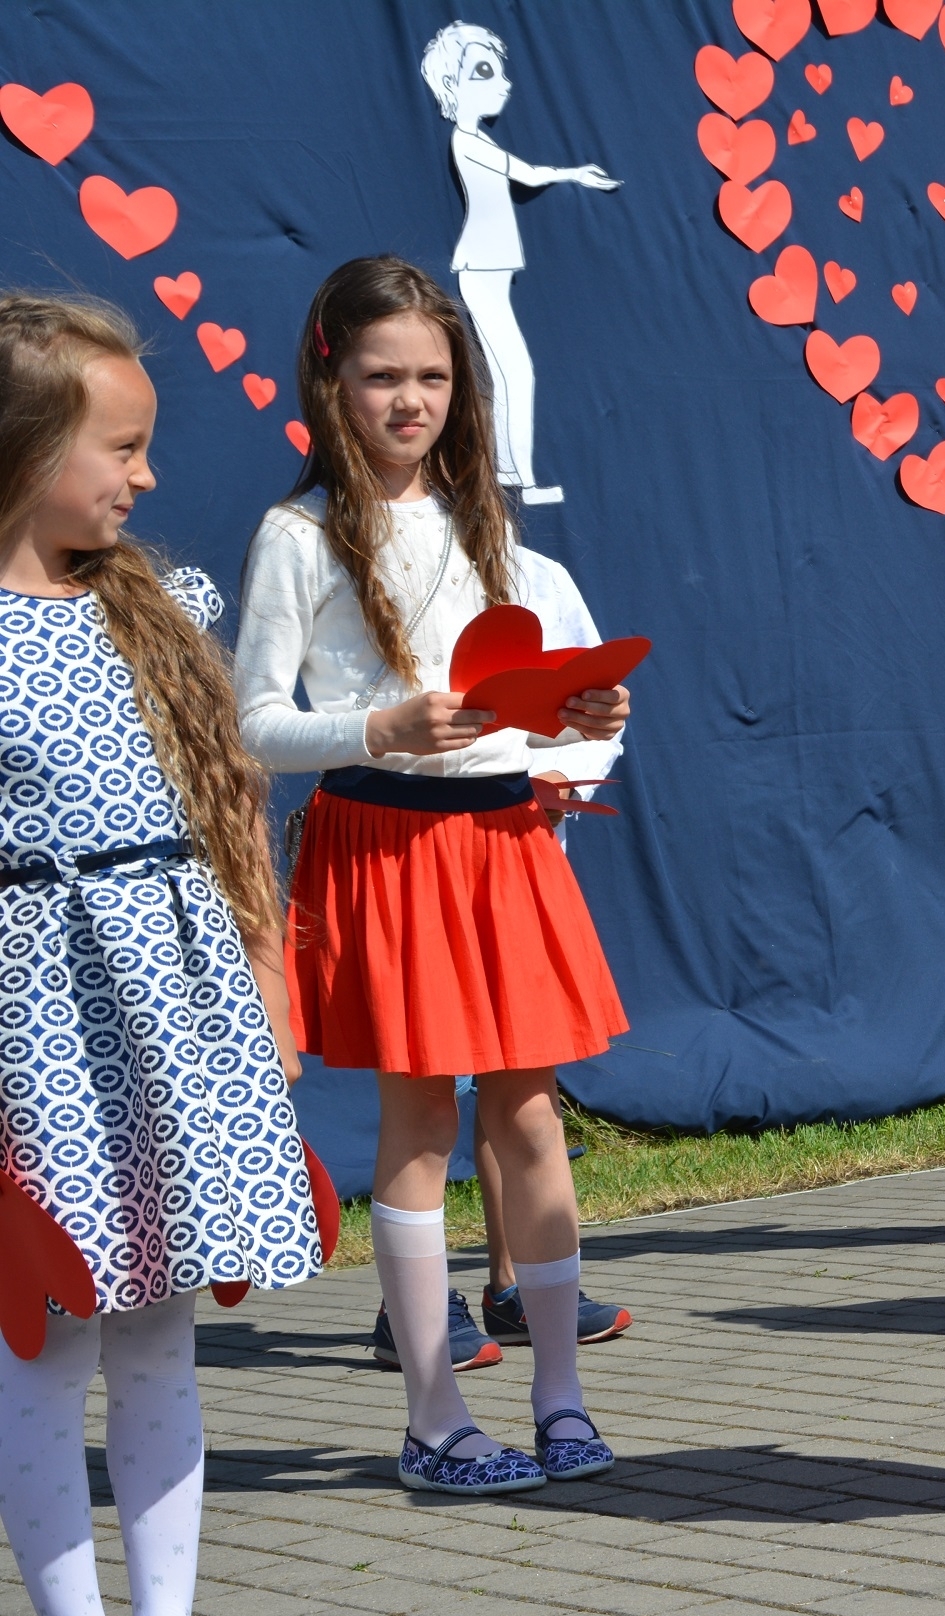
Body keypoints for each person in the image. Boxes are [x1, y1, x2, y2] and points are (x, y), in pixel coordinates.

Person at [233, 256, 631, 1495]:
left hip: (505, 842)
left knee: (529, 1115)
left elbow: (534, 703)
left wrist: (580, 718)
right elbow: (252, 724)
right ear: (330, 381)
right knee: (417, 1122)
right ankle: (433, 1420)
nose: (411, 401)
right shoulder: (298, 533)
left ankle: (560, 1399)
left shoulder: (488, 523)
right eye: (383, 376)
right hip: (387, 843)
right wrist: (379, 727)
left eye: (434, 378)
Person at [0, 294, 325, 1616]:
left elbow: (234, 810)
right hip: (39, 1024)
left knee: (158, 1333)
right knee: (46, 1340)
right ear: (26, 449)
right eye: (120, 448)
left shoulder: (165, 609)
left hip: (179, 1011)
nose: (146, 475)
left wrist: (266, 981)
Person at [376, 556, 635, 1373]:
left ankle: (513, 1286)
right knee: (426, 1095)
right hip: (409, 849)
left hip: (517, 847)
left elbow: (594, 709)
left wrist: (566, 766)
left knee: (520, 1094)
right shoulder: (359, 557)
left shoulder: (539, 576)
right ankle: (406, 1312)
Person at [418, 20, 619, 505]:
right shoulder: (467, 141)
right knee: (511, 372)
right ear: (451, 85)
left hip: (493, 267)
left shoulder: (479, 141)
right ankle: (515, 480)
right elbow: (525, 173)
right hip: (482, 267)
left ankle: (508, 475)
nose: (503, 84)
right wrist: (574, 175)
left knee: (509, 372)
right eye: (484, 72)